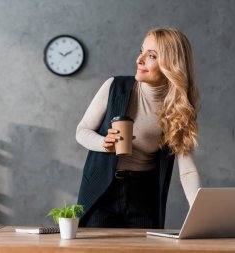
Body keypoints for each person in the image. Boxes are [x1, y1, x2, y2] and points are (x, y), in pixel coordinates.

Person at [76, 27, 201, 229]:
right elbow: (81, 130)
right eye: (141, 51)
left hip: (144, 196)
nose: (139, 59)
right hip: (102, 192)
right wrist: (103, 143)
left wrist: (199, 213)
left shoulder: (180, 108)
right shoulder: (114, 87)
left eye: (151, 55)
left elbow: (187, 170)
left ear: (171, 64)